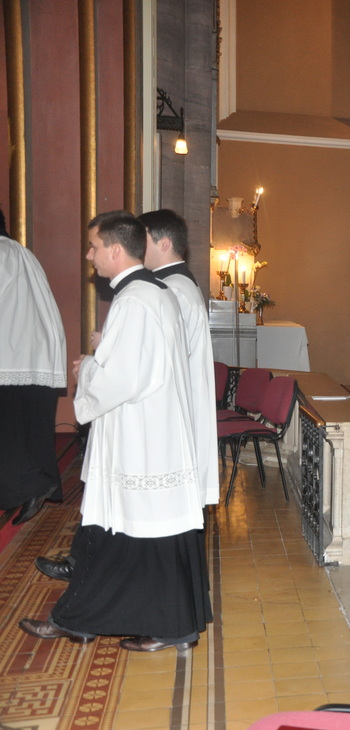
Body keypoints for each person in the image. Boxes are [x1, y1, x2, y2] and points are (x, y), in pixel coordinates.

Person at [19, 211, 211, 652]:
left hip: (140, 439)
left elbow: (122, 380)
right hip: (151, 434)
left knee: (128, 533)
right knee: (139, 535)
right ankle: (151, 625)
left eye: (94, 247)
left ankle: (89, 620)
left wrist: (88, 368)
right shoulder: (154, 293)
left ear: (116, 249)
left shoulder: (135, 301)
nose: (90, 257)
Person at [139, 210, 219, 508]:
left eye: (142, 240)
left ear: (164, 243)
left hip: (170, 403)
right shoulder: (175, 284)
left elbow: (162, 355)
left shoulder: (173, 289)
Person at [0, 211, 67, 524]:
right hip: (38, 357)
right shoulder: (23, 253)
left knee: (10, 434)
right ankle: (35, 485)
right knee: (32, 432)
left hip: (9, 359)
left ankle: (31, 487)